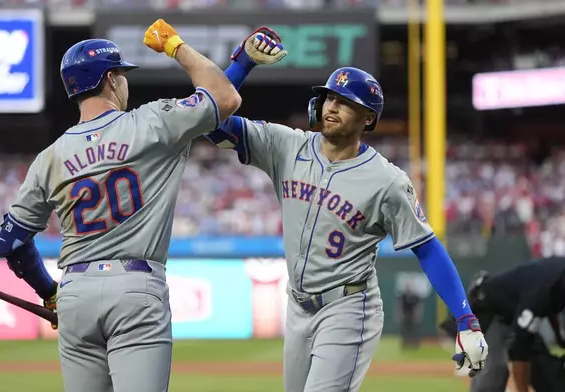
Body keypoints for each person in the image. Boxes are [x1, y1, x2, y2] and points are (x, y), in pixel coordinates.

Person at [205, 29, 489, 391]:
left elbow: (427, 246)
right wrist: (242, 63)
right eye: (328, 98)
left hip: (348, 307)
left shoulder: (387, 180)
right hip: (297, 305)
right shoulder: (286, 145)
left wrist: (465, 318)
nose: (332, 107)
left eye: (345, 102)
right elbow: (210, 123)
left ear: (368, 118)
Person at [0, 19, 244, 392]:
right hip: (135, 287)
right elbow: (225, 97)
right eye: (122, 75)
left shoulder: (49, 157)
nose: (126, 81)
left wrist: (49, 290)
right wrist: (177, 46)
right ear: (111, 79)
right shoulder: (152, 123)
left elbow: (10, 244)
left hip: (76, 292)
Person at [440, 258, 565, 392]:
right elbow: (520, 349)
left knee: (551, 376)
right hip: (490, 310)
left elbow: (551, 306)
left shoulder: (557, 281)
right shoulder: (540, 292)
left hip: (517, 313)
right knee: (494, 374)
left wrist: (559, 337)